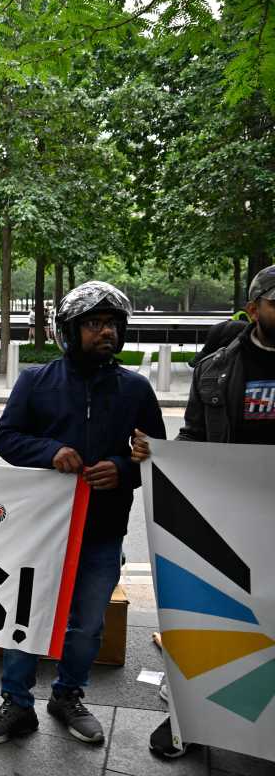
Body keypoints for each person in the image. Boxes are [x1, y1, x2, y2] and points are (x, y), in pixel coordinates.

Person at [0, 280, 166, 746]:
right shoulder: (35, 381)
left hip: (102, 531)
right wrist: (50, 451)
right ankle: (16, 703)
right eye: (95, 324)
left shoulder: (136, 388)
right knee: (28, 616)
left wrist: (122, 468)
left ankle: (68, 696)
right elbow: (7, 438)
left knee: (87, 625)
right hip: (41, 528)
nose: (106, 333)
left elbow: (157, 456)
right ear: (69, 330)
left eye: (113, 325)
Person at [132, 264, 275, 758]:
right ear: (254, 309)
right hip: (230, 518)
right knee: (221, 618)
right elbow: (194, 436)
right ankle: (193, 720)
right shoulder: (215, 367)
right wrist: (164, 460)